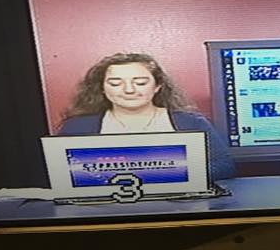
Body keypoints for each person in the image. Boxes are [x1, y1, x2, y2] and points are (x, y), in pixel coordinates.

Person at [58, 53, 236, 181]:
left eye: (140, 82)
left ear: (157, 86)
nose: (129, 90)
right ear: (102, 88)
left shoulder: (191, 122)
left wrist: (161, 175)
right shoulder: (77, 127)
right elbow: (59, 173)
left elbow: (225, 166)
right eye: (115, 83)